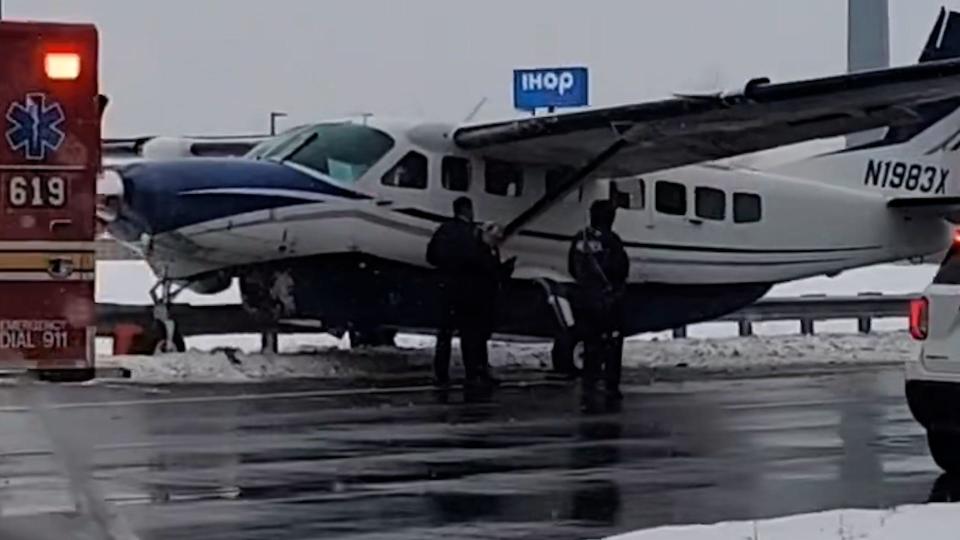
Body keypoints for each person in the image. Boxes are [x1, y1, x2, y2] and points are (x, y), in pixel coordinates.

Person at [426, 197, 514, 388]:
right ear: (468, 210)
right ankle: (473, 372)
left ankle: (441, 373)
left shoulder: (444, 231)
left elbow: (430, 256)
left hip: (446, 289)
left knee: (444, 335)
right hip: (470, 292)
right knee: (471, 334)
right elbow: (483, 262)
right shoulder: (474, 233)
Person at [568, 199, 629, 401]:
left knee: (590, 343)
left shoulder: (580, 238)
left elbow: (571, 267)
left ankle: (590, 382)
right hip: (607, 301)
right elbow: (620, 269)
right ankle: (611, 385)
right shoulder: (611, 240)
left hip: (584, 300)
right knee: (611, 345)